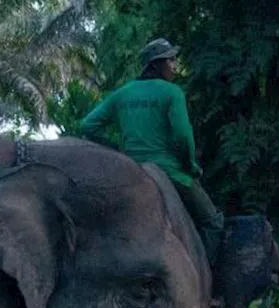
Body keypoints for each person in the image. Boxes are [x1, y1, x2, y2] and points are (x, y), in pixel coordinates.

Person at [79, 38, 224, 269]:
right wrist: (190, 165)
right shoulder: (172, 92)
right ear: (156, 64)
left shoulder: (123, 93)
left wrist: (116, 150)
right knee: (213, 222)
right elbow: (182, 136)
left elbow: (87, 126)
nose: (175, 65)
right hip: (171, 173)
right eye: (171, 60)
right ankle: (207, 281)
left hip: (130, 171)